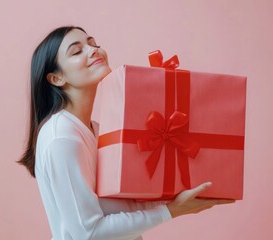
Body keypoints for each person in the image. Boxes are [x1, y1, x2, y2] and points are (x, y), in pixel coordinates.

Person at [18, 26, 234, 240]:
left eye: (93, 44)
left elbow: (119, 205)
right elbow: (88, 233)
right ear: (56, 78)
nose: (93, 50)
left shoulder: (95, 129)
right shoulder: (62, 137)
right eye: (77, 51)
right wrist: (170, 210)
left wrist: (181, 201)